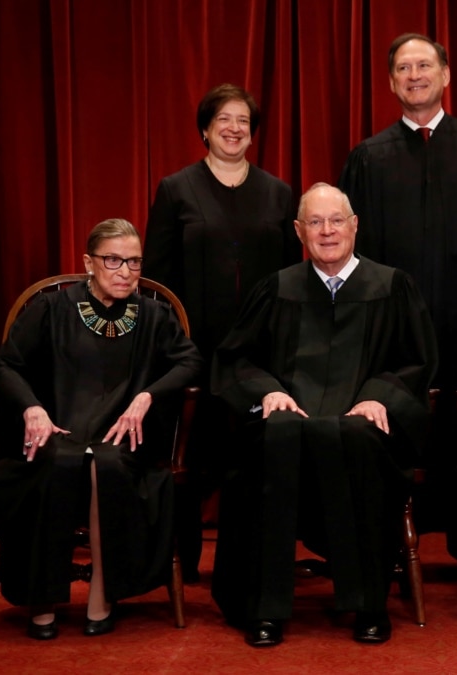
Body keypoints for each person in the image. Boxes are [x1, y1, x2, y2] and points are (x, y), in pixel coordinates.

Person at [210, 183, 438, 647]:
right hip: (289, 425)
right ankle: (265, 607)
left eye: (337, 220)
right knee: (272, 441)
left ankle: (367, 604)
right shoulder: (276, 289)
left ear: (355, 226)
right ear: (299, 231)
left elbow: (419, 360)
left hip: (363, 427)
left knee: (358, 439)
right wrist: (269, 392)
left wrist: (379, 396)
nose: (327, 230)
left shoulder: (392, 286)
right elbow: (236, 359)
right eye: (315, 222)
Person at [0, 219, 202, 640]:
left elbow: (190, 362)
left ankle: (103, 594)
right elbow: (4, 365)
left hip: (121, 437)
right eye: (113, 260)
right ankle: (42, 600)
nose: (125, 271)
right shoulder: (51, 309)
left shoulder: (155, 316)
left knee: (109, 465)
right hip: (60, 427)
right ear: (89, 262)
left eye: (134, 262)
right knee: (56, 463)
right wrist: (31, 408)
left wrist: (148, 396)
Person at [144, 83, 300, 579]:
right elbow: (158, 279)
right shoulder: (175, 189)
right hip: (194, 350)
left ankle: (252, 562)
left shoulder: (277, 192)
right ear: (205, 130)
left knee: (254, 459)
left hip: (260, 354)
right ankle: (182, 562)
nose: (234, 129)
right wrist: (171, 347)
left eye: (243, 122)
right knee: (189, 460)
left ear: (253, 134)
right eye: (223, 121)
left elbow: (292, 277)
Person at [337, 32, 457, 392]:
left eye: (424, 65)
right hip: (392, 325)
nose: (414, 75)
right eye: (403, 68)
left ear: (446, 75)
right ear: (392, 82)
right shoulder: (368, 159)